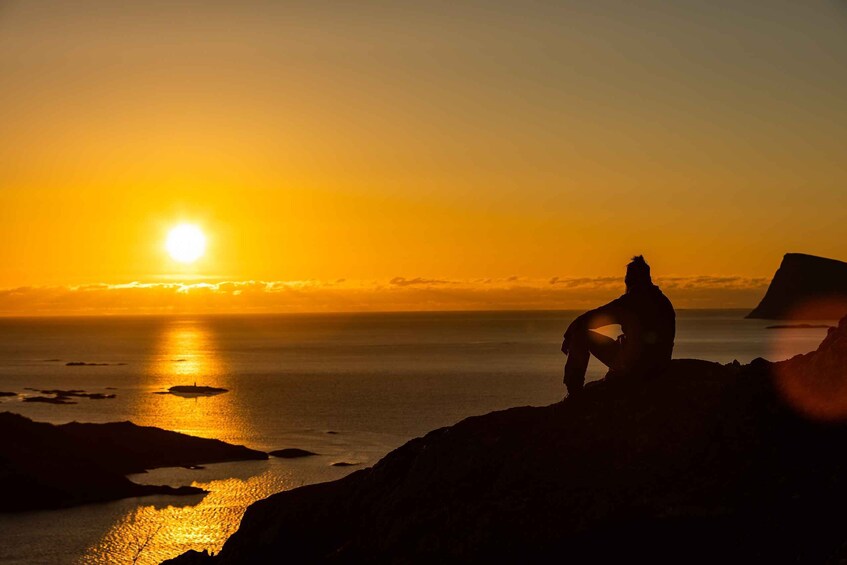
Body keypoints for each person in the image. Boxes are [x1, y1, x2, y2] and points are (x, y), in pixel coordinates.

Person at [561, 255, 675, 398]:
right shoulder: (664, 302)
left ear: (630, 280)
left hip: (635, 368)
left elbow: (591, 319)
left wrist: (569, 334)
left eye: (627, 278)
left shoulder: (631, 302)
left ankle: (574, 392)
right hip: (659, 365)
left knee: (581, 334)